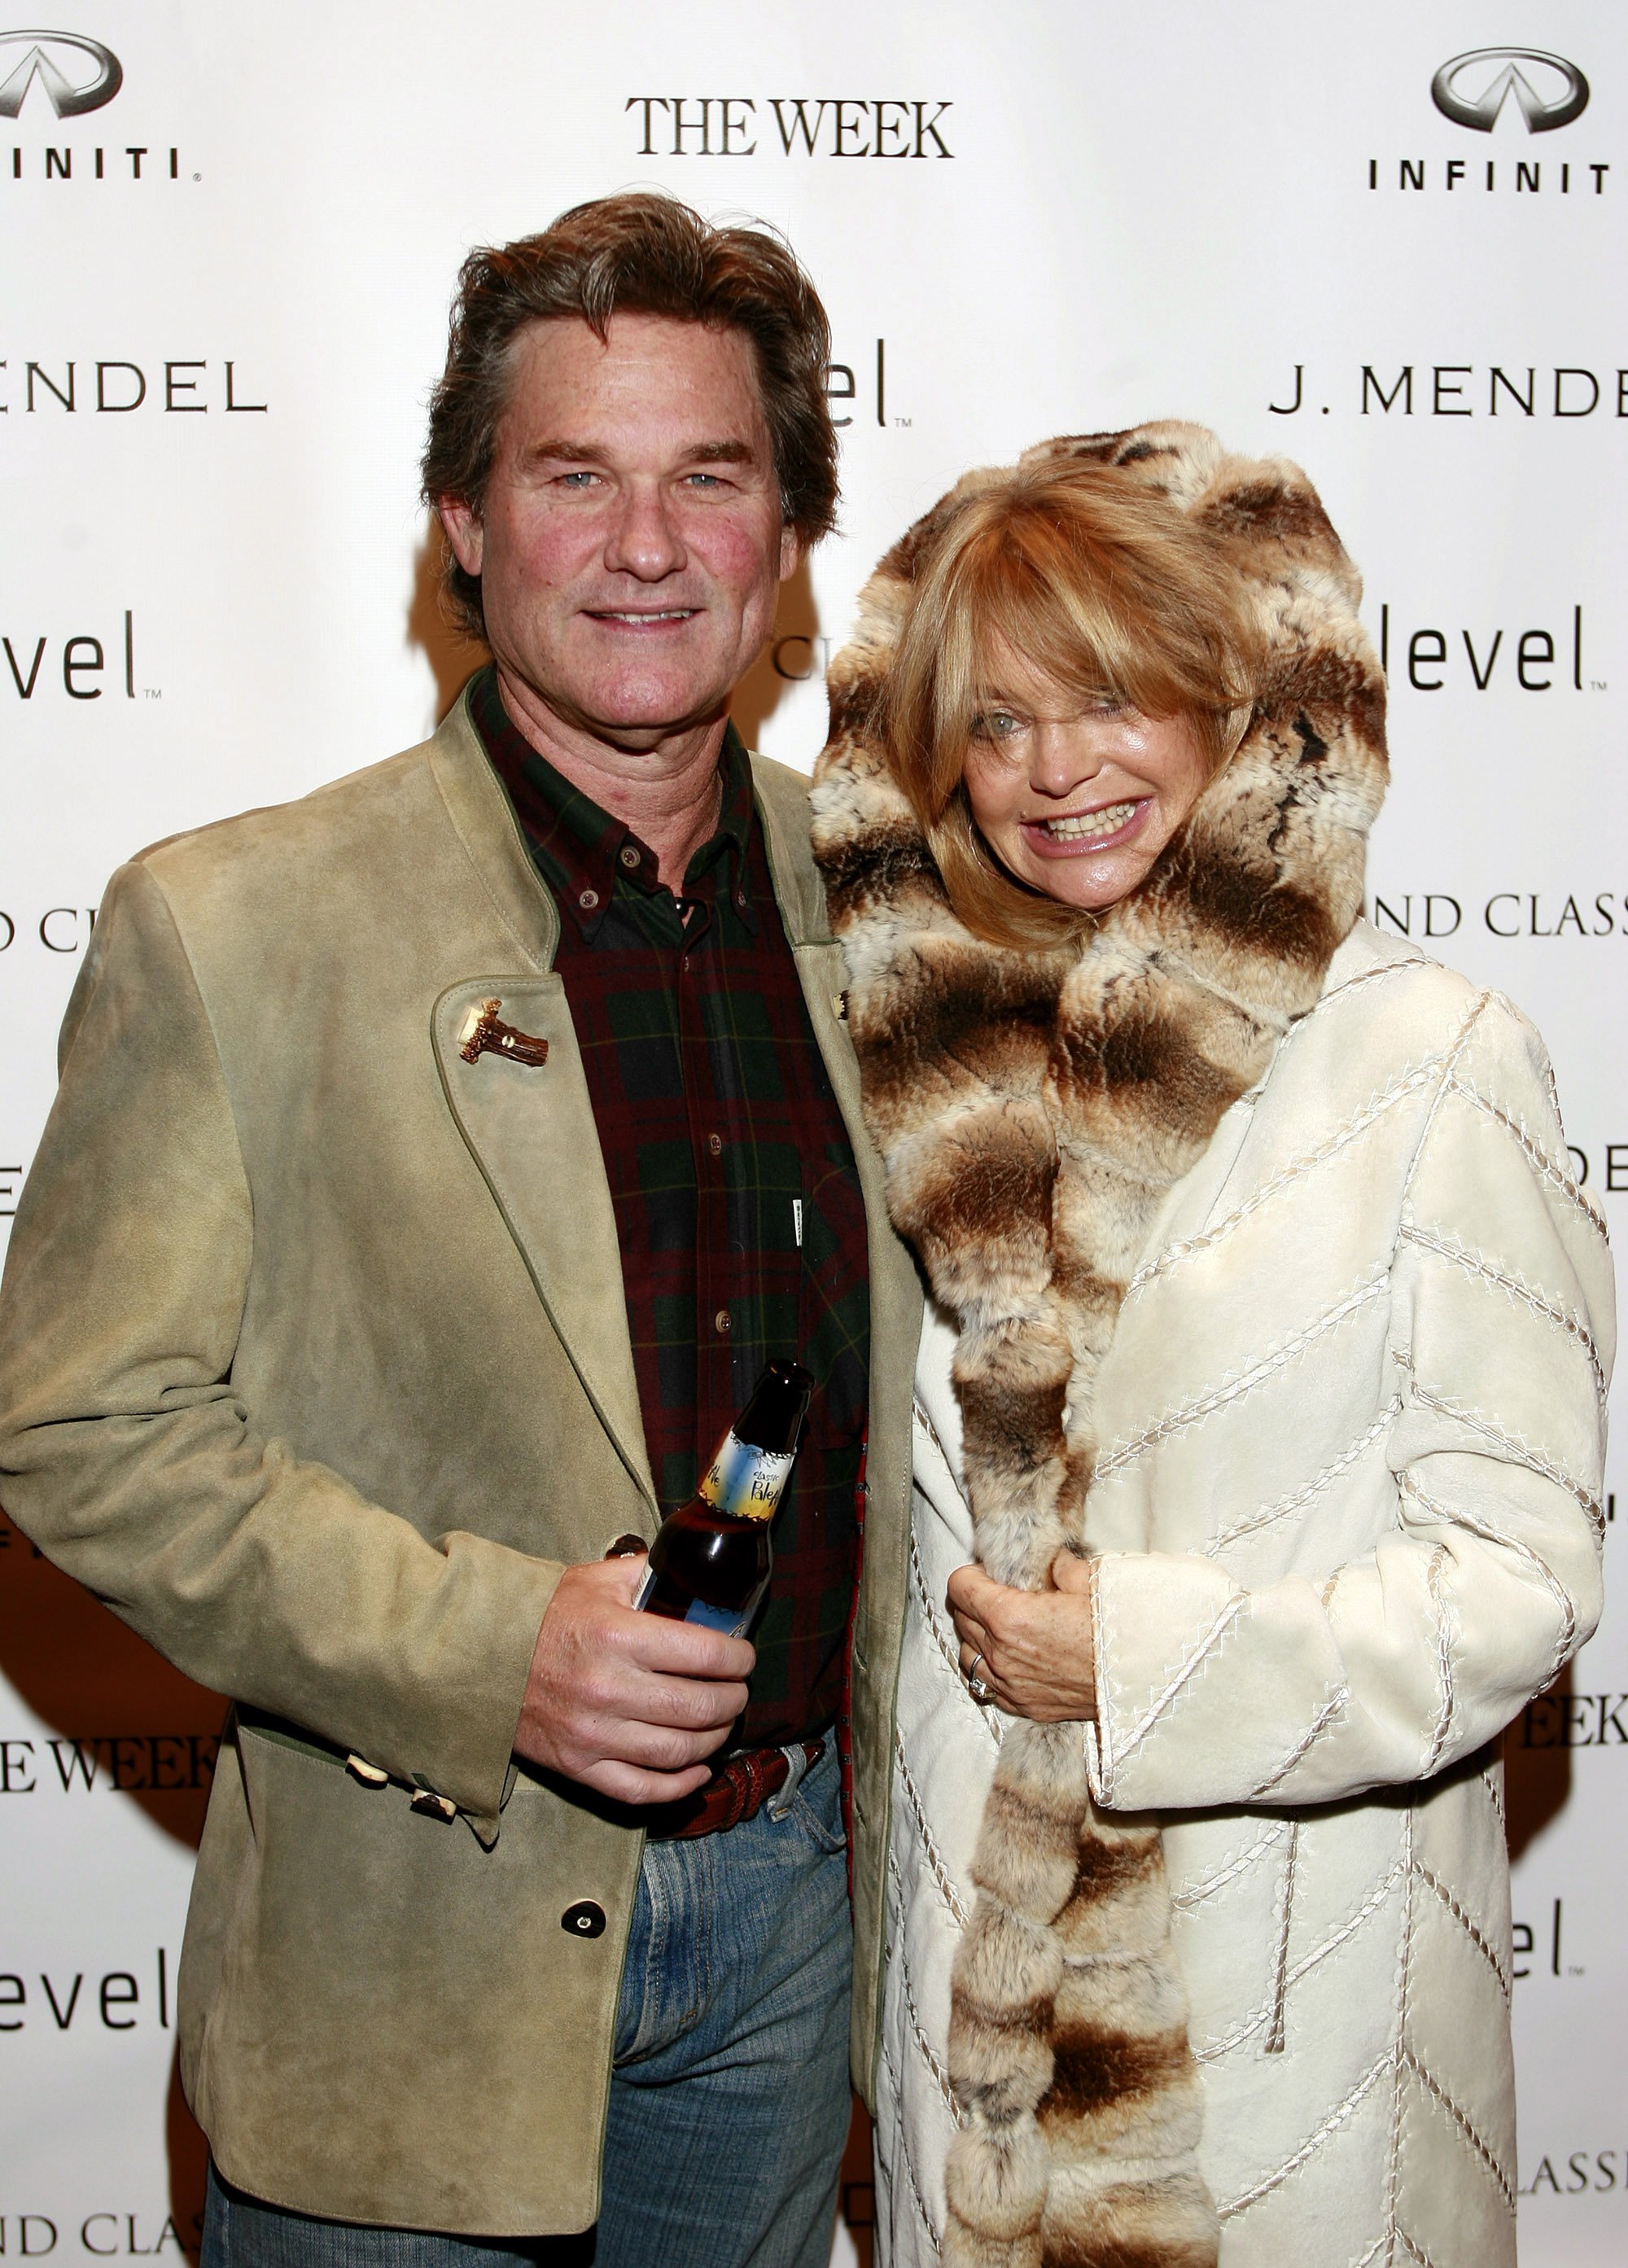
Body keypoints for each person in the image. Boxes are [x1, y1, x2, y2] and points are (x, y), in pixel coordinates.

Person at [0, 195, 921, 2268]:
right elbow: (77, 1429)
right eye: (571, 477)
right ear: (464, 523)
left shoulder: (894, 908)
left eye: (713, 478)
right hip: (406, 1955)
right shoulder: (240, 926)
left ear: (787, 541)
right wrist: (487, 1650)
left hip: (800, 1936)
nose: (647, 544)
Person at [809, 423, 1611, 2268]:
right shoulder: (924, 1080)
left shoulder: (1430, 1058)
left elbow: (1519, 1585)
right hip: (967, 2017)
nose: (1051, 770)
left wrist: (1141, 1659)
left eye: (1108, 700)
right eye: (993, 724)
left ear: (1233, 705)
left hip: (1295, 2012)